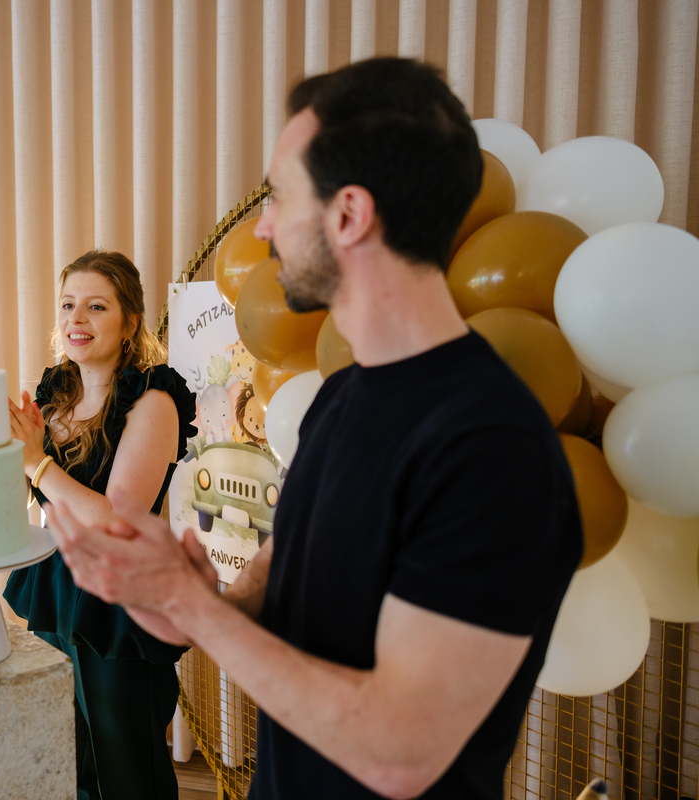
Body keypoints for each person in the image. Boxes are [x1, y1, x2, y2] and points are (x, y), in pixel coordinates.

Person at [43, 58, 583, 799]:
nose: (263, 227)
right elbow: (283, 582)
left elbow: (399, 753)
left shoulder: (491, 447)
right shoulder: (343, 396)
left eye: (279, 197)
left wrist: (195, 609)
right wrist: (191, 603)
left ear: (349, 215)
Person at [5, 250, 197, 800]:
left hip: (118, 603)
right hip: (55, 586)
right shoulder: (55, 393)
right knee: (67, 765)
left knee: (127, 773)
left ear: (130, 322)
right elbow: (36, 499)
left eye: (96, 306)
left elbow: (116, 519)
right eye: (68, 305)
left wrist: (35, 461)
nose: (76, 319)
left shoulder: (153, 398)